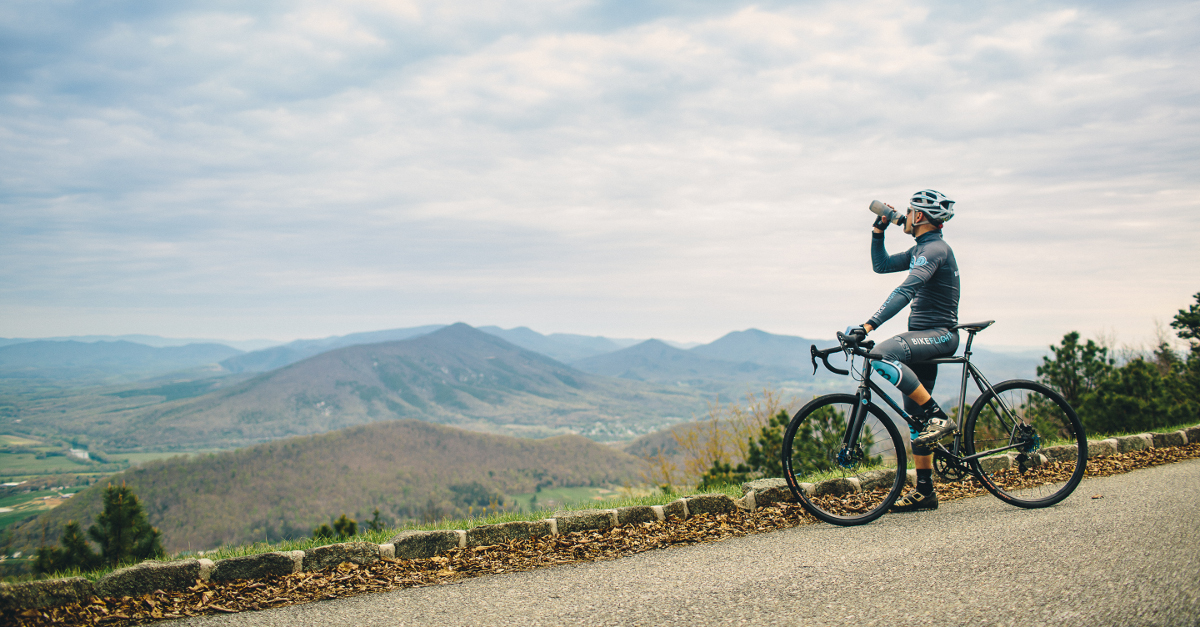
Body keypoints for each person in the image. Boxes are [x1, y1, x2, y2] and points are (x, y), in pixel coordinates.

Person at [843, 189, 960, 512]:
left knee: (881, 353)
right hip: (923, 337)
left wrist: (868, 326)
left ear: (919, 216)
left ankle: (939, 417)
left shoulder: (934, 249)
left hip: (940, 335)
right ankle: (925, 491)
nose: (904, 217)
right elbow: (880, 266)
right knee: (915, 419)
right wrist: (878, 231)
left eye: (908, 212)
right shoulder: (920, 248)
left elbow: (906, 289)